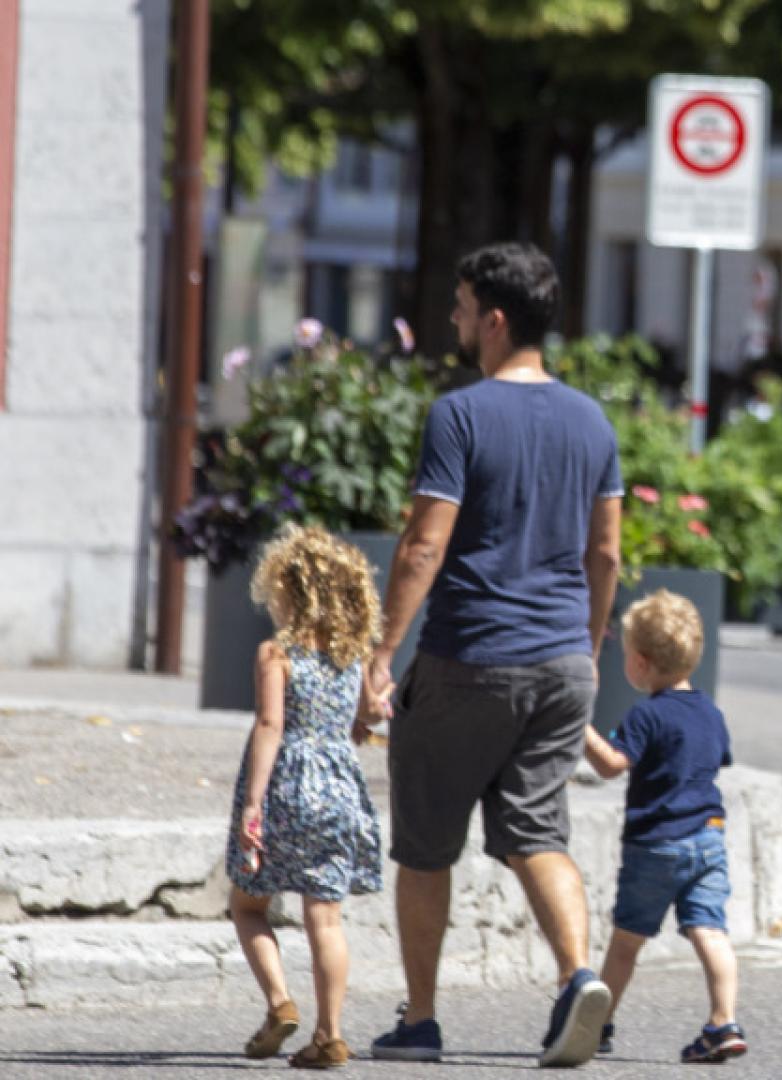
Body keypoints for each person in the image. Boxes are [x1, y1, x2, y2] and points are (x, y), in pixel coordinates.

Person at [354, 242, 625, 1067]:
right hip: (562, 662)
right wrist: (587, 648)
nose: (455, 319)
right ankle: (579, 977)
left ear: (496, 320)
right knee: (538, 833)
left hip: (470, 656)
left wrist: (381, 654)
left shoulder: (460, 414)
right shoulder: (592, 420)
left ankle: (420, 1020)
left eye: (464, 307)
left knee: (425, 846)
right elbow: (606, 553)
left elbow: (422, 546)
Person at [226, 524, 385, 1070]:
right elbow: (367, 716)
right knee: (326, 916)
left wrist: (253, 804)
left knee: (248, 904)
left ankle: (279, 1002)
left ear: (289, 591)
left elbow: (270, 725)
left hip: (287, 787)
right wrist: (373, 711)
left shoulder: (277, 653)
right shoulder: (352, 655)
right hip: (338, 788)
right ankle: (330, 1034)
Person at [580, 590, 747, 1064]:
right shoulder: (711, 712)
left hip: (655, 845)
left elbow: (612, 764)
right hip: (709, 839)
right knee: (710, 931)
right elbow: (716, 760)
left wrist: (580, 727)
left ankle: (597, 1025)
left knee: (626, 941)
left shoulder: (646, 714)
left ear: (640, 662)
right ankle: (723, 1021)